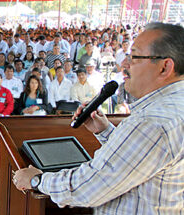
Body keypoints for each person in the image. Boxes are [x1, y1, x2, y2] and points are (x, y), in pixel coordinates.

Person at [13, 23, 184, 214]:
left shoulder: (152, 122)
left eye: (134, 56)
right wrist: (106, 131)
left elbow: (89, 186)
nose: (124, 64)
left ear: (165, 67)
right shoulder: (174, 107)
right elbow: (140, 161)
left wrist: (38, 180)